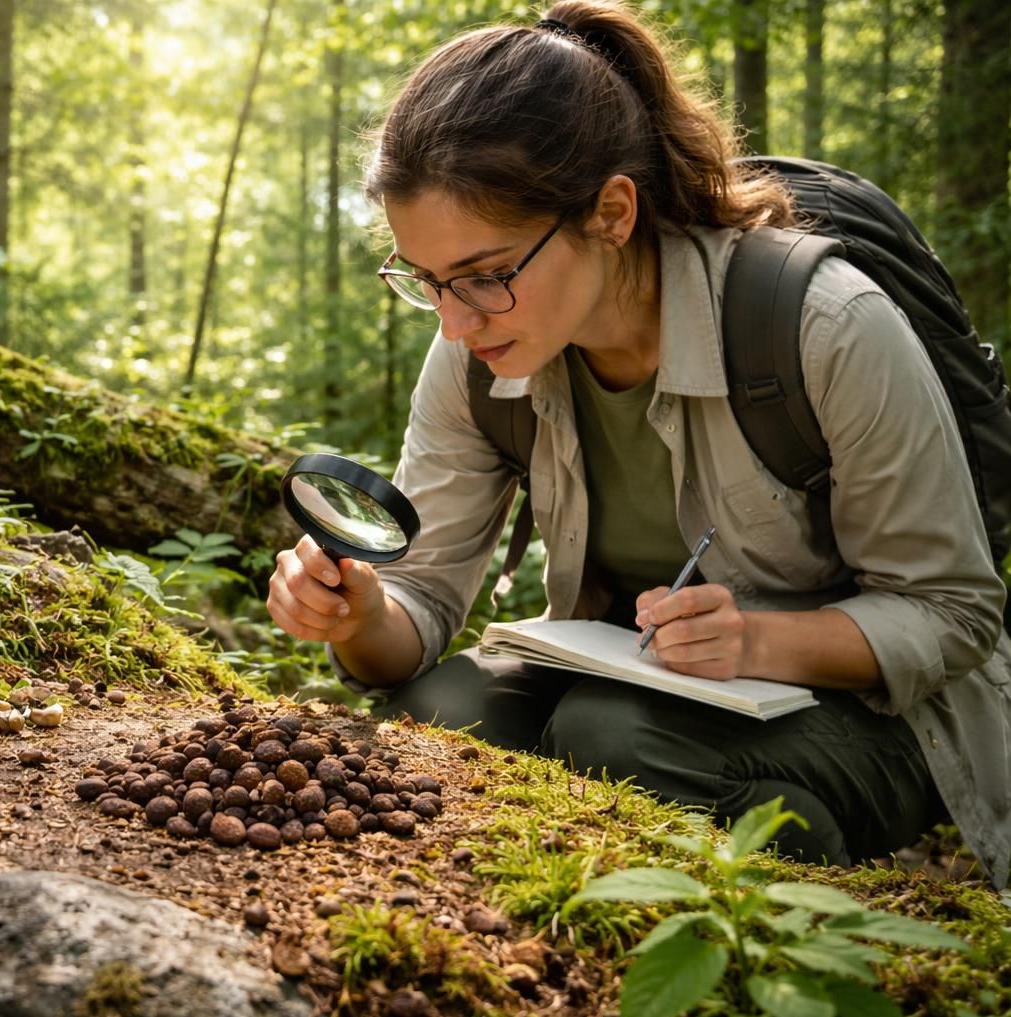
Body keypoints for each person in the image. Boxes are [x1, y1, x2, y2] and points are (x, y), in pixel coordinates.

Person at [266, 0, 1010, 884]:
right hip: (630, 683)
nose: (457, 323)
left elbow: (954, 611)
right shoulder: (477, 350)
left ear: (612, 212)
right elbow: (417, 609)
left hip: (876, 719)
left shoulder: (824, 325)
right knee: (444, 713)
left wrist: (757, 642)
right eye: (425, 282)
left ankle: (812, 920)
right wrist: (357, 615)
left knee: (611, 738)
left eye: (487, 275)